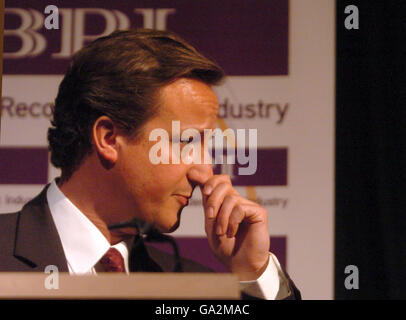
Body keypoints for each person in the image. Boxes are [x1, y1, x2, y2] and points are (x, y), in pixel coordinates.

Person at [0, 29, 300, 300]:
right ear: (108, 137)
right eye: (186, 142)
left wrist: (252, 273)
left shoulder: (192, 288)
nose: (205, 172)